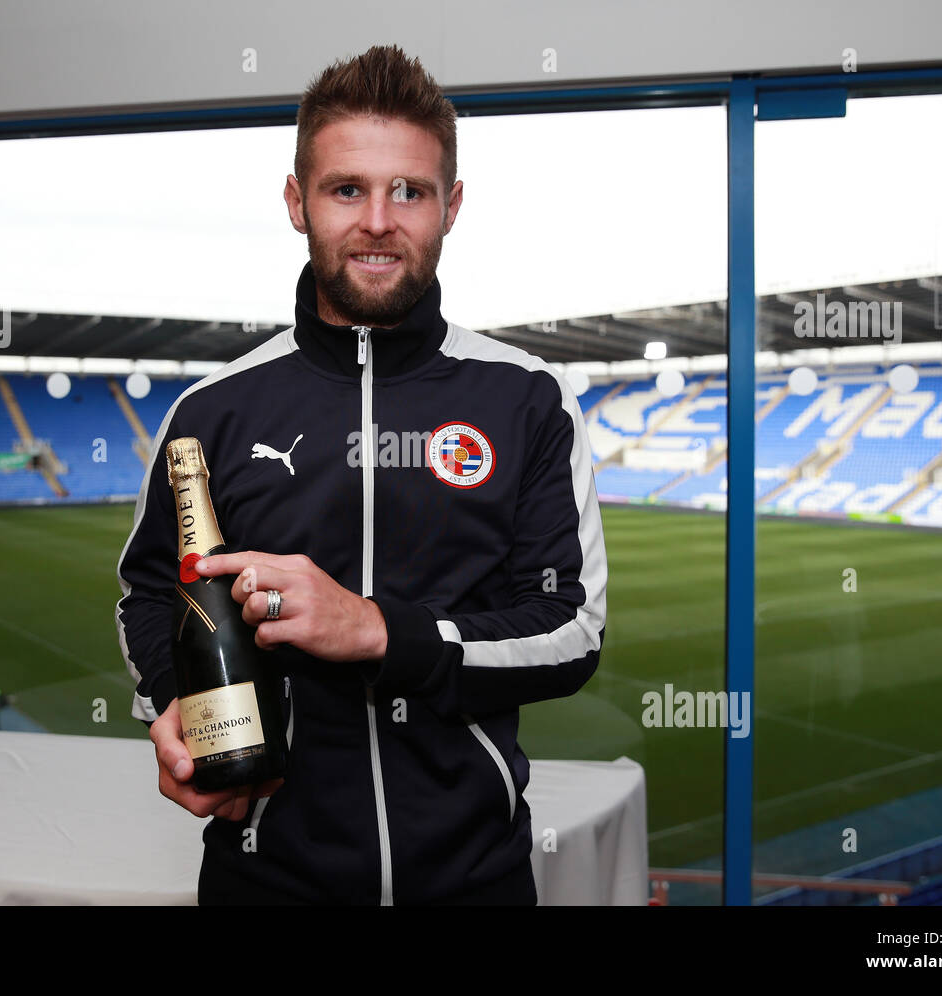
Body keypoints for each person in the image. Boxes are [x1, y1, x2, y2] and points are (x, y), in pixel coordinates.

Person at [116, 44, 607, 905]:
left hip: (477, 881)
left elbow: (569, 631)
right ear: (296, 202)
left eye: (409, 191)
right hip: (264, 879)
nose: (378, 220)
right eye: (347, 188)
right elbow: (151, 594)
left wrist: (383, 633)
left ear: (450, 206)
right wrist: (175, 707)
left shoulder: (528, 398)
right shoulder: (212, 411)